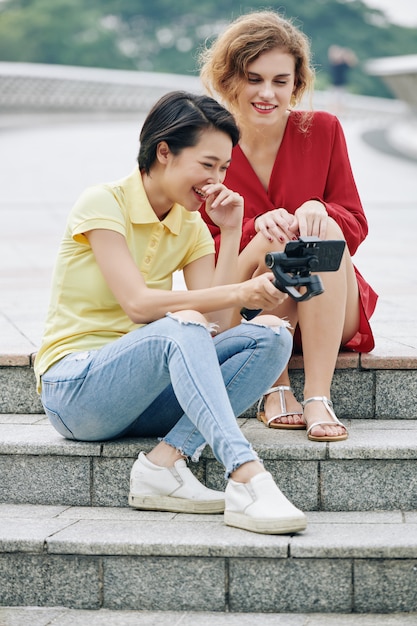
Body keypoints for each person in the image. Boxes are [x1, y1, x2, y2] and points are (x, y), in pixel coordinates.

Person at [33, 90, 306, 535]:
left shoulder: (192, 223)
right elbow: (138, 304)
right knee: (180, 324)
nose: (216, 180)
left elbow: (219, 325)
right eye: (207, 164)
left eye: (223, 168)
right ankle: (245, 473)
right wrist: (241, 288)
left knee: (271, 335)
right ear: (164, 151)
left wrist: (233, 229)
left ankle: (165, 462)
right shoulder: (103, 202)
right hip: (76, 392)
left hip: (144, 395)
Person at [199, 11, 378, 442]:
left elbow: (355, 224)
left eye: (281, 81)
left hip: (331, 307)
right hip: (246, 307)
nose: (267, 93)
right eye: (253, 78)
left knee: (324, 232)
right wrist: (256, 226)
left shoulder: (323, 130)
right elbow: (202, 245)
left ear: (296, 85)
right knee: (270, 247)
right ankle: (274, 386)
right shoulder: (205, 144)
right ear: (228, 80)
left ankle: (317, 395)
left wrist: (319, 209)